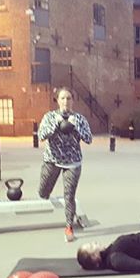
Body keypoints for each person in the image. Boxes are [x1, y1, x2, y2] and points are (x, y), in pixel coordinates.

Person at [38, 87, 92, 243]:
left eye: (69, 98)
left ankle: (69, 226)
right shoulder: (49, 117)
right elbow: (41, 136)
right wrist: (56, 124)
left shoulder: (79, 119)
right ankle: (45, 192)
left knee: (69, 196)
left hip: (73, 162)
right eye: (62, 98)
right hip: (52, 160)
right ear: (57, 100)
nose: (66, 101)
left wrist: (77, 126)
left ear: (73, 101)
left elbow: (89, 139)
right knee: (43, 193)